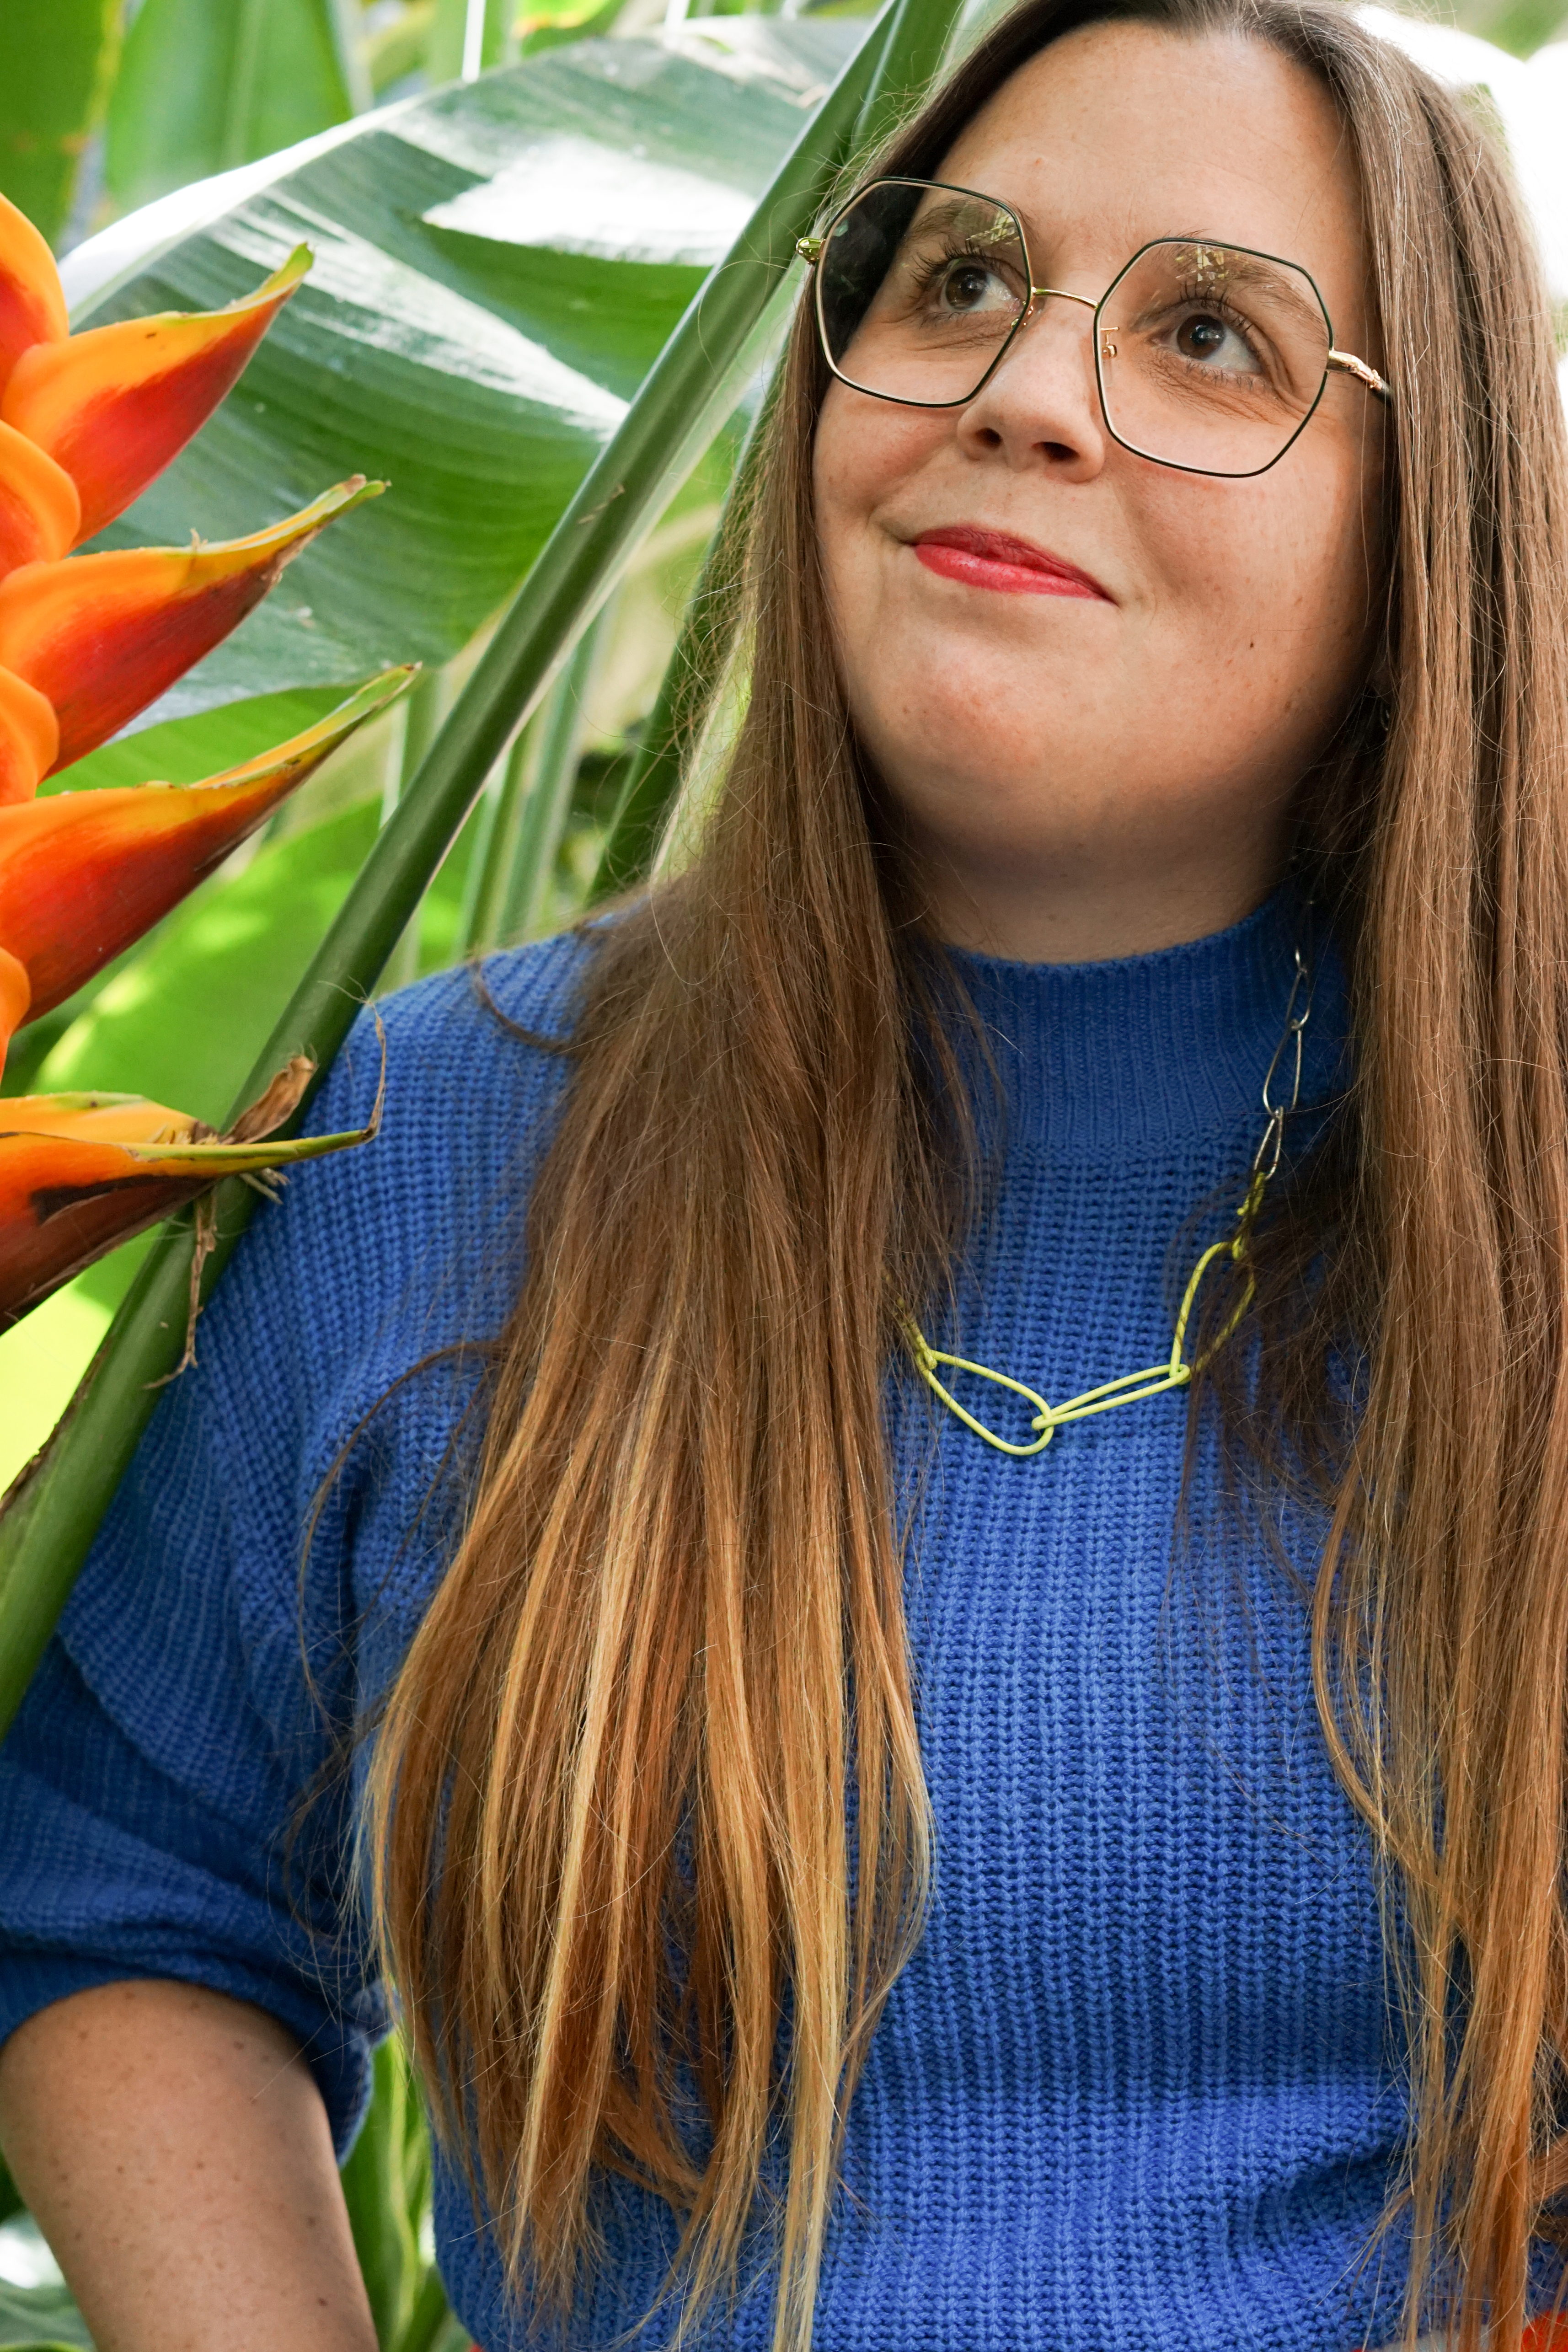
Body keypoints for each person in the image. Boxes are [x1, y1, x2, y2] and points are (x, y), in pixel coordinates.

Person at [3, 0, 1566, 2343]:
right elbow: (126, 1898)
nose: (1022, 392)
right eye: (951, 280)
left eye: (1216, 334)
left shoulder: (1531, 1207)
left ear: (1429, 532)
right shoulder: (435, 1146)